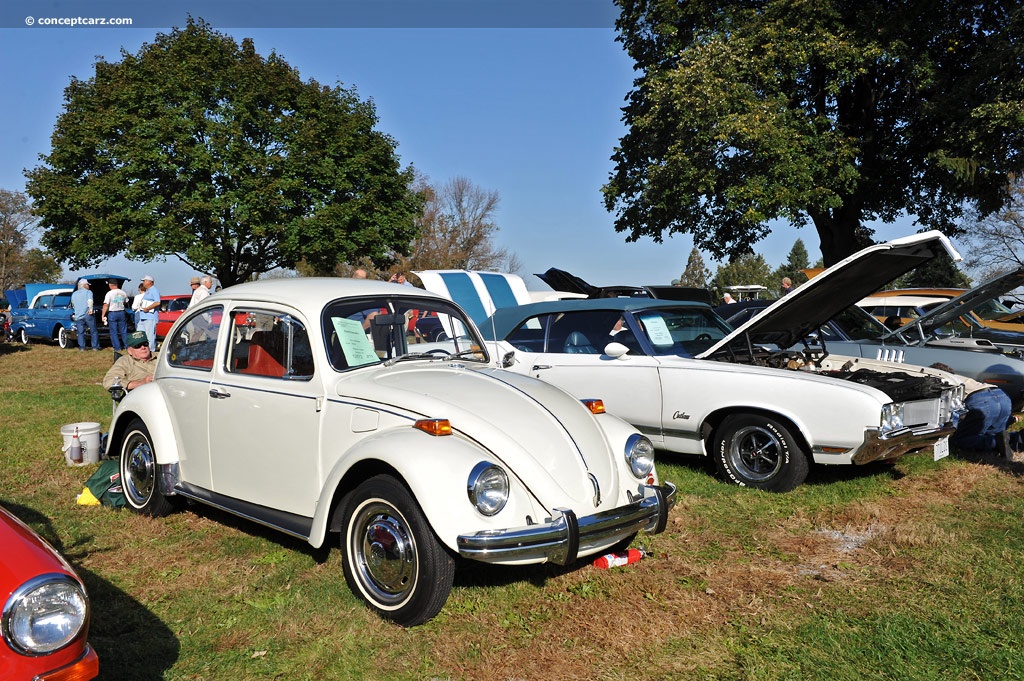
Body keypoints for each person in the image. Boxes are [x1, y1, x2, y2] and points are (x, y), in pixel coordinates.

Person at [931, 363, 1014, 459]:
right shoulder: (960, 378)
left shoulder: (940, 380)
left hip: (981, 400)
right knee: (995, 433)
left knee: (961, 440)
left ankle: (996, 443)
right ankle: (1017, 438)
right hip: (1002, 395)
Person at [71, 279, 99, 351]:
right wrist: (90, 309)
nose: (88, 286)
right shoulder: (88, 292)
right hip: (87, 314)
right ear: (84, 285)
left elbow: (73, 304)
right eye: (87, 285)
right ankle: (95, 347)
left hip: (78, 315)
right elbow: (90, 301)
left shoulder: (74, 294)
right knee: (93, 331)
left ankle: (82, 347)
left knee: (80, 332)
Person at [101, 279, 129, 351]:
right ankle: (127, 346)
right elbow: (126, 302)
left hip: (112, 313)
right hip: (121, 312)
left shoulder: (109, 293)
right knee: (124, 331)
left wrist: (103, 315)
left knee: (114, 332)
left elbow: (106, 305)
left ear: (110, 285)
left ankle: (117, 347)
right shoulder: (123, 293)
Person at [136, 275, 161, 351]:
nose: (143, 282)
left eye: (144, 281)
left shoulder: (154, 290)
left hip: (150, 317)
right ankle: (142, 350)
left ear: (150, 282)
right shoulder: (148, 291)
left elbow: (157, 302)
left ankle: (151, 351)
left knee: (150, 336)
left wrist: (147, 308)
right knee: (140, 334)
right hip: (143, 317)